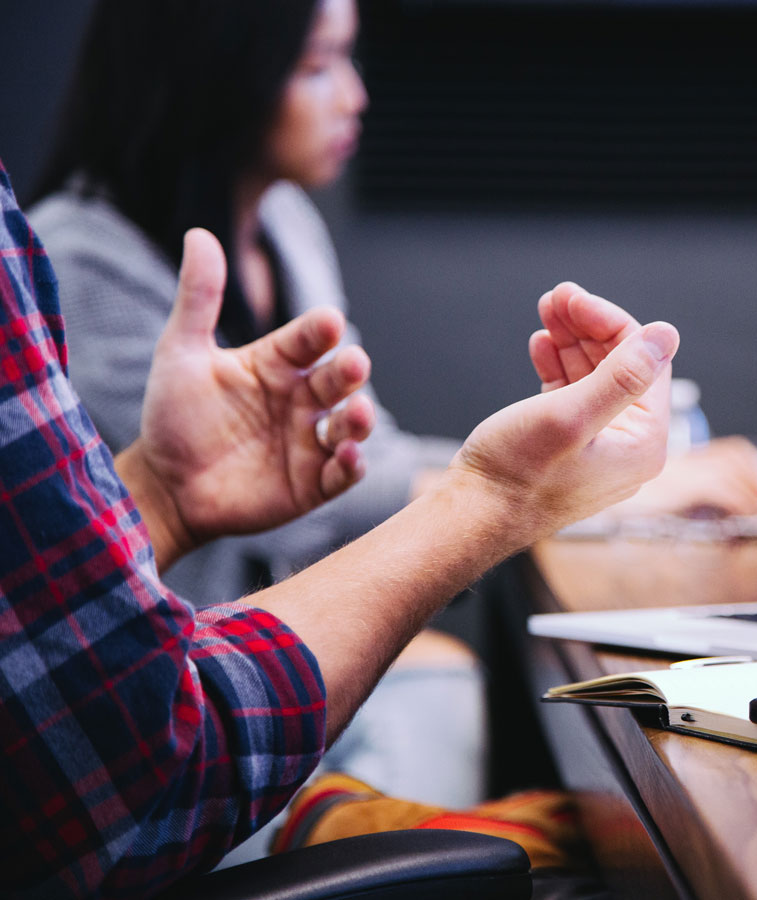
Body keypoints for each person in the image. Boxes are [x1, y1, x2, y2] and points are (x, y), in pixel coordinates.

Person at [0, 158, 679, 897]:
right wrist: (499, 497)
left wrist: (160, 499)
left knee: (448, 686)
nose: (354, 92)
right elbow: (139, 764)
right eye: (320, 63)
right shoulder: (80, 251)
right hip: (167, 804)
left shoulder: (286, 220)